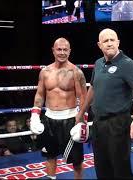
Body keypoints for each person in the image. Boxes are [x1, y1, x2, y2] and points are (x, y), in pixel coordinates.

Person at [75, 28, 133, 179]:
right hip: (98, 123)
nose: (109, 43)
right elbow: (93, 89)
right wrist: (81, 112)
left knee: (120, 168)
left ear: (118, 42)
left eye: (112, 40)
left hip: (118, 123)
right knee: (102, 167)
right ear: (99, 45)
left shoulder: (127, 64)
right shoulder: (98, 63)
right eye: (105, 41)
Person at [30, 37, 87, 179]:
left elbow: (84, 98)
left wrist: (82, 122)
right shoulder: (45, 72)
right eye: (59, 49)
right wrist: (35, 116)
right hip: (49, 119)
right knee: (50, 156)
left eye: (65, 50)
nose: (62, 52)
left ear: (70, 51)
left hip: (70, 119)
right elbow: (39, 95)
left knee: (77, 161)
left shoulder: (76, 72)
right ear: (53, 51)